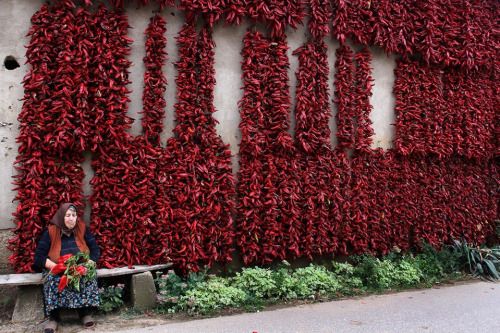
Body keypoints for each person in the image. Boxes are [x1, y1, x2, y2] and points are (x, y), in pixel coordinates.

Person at [33, 203, 100, 333]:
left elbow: (95, 250)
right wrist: (56, 266)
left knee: (87, 276)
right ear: (61, 217)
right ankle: (54, 317)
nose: (71, 218)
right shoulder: (51, 232)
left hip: (79, 265)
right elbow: (39, 257)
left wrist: (89, 263)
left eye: (74, 215)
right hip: (58, 267)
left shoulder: (82, 228)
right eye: (67, 215)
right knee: (52, 280)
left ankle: (84, 313)